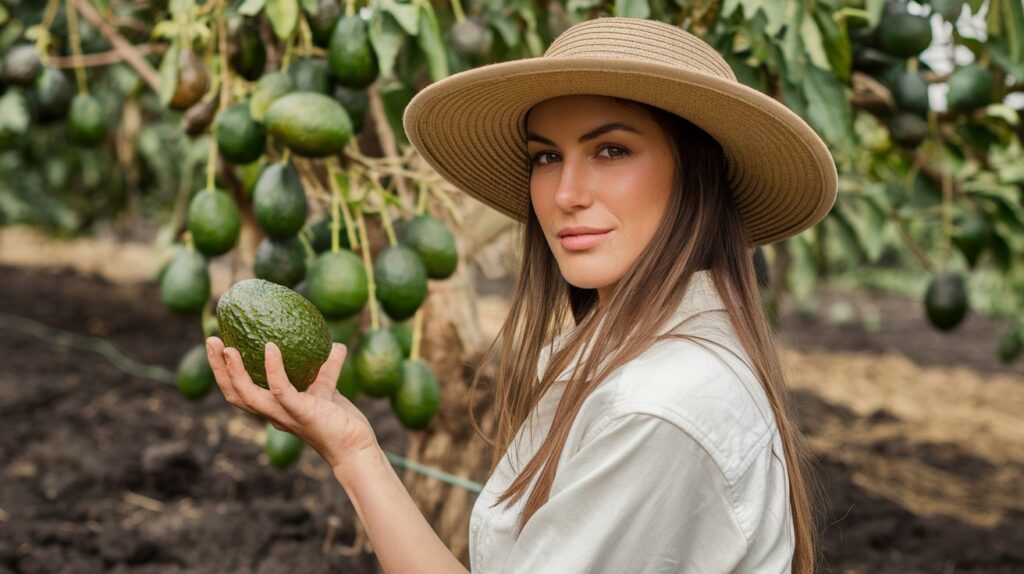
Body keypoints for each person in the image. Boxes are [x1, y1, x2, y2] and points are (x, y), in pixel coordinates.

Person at [205, 16, 837, 574]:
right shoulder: (632, 362)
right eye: (544, 157)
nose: (565, 194)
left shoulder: (659, 409)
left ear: (696, 173)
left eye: (611, 150)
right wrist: (352, 448)